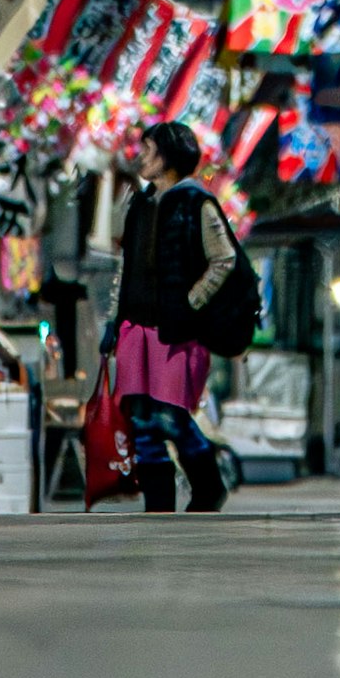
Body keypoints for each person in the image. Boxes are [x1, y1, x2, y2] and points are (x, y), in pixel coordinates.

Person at [107, 122, 243, 517]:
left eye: (148, 150)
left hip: (178, 330)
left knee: (171, 414)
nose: (141, 158)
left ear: (167, 156)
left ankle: (208, 485)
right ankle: (158, 504)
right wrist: (114, 321)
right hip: (136, 326)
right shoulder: (139, 204)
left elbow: (225, 259)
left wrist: (191, 302)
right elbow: (126, 265)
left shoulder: (198, 203)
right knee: (141, 419)